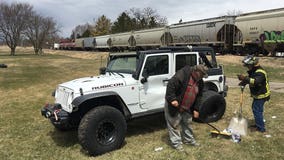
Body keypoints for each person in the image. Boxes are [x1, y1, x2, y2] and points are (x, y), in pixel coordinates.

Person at [164, 64, 208, 151]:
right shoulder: (182, 74)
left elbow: (199, 96)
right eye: (202, 75)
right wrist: (173, 99)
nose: (203, 77)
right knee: (174, 125)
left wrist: (196, 109)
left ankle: (188, 140)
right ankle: (177, 144)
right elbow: (170, 86)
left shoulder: (200, 81)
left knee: (187, 123)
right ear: (197, 72)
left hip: (187, 106)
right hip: (175, 105)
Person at [237, 55, 270, 133]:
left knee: (257, 110)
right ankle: (259, 124)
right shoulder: (254, 71)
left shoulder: (260, 72)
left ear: (252, 64)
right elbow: (250, 79)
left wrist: (244, 78)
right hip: (258, 94)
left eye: (248, 66)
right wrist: (243, 82)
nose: (247, 67)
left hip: (261, 95)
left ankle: (261, 128)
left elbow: (255, 81)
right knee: (257, 110)